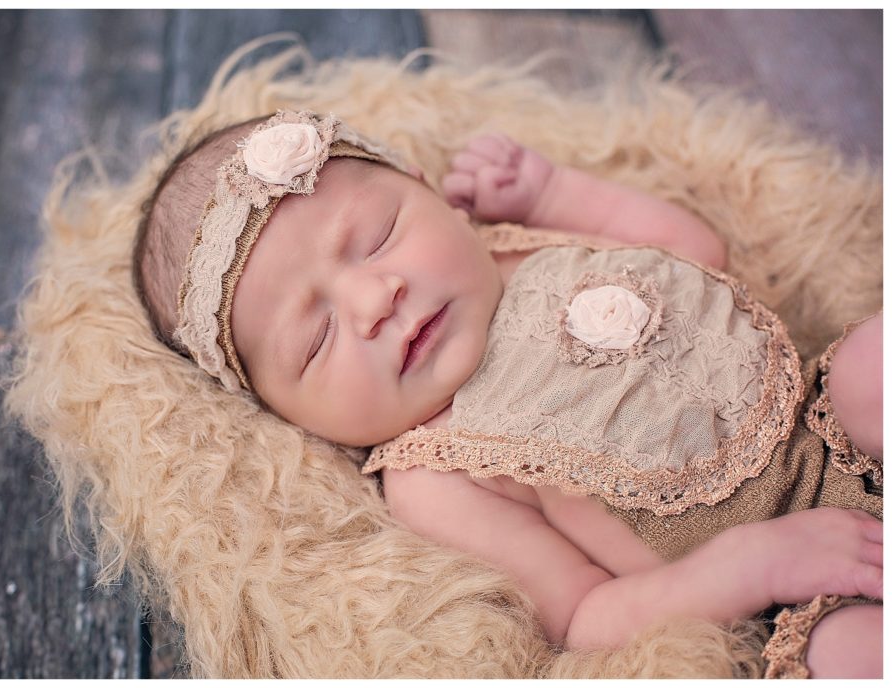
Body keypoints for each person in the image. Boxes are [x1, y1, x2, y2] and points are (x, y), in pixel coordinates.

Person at [132, 109, 882, 678]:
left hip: (827, 412)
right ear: (293, 419)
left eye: (379, 236)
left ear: (433, 198)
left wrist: (555, 189)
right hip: (805, 588)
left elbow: (695, 256)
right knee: (847, 657)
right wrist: (753, 567)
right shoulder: (433, 476)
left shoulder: (519, 247)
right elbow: (586, 614)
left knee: (869, 365)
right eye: (316, 339)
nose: (375, 301)